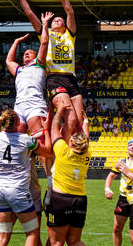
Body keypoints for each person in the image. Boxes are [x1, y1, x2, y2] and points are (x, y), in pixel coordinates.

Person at [10, 0, 83, 138]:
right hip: (54, 79)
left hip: (71, 79)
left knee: (78, 124)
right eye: (54, 20)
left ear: (64, 25)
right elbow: (29, 13)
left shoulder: (70, 35)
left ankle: (69, 152)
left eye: (60, 19)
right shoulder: (46, 33)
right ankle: (59, 149)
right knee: (70, 120)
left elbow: (69, 11)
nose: (57, 20)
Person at [6, 12, 54, 246]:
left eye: (29, 52)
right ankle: (23, 179)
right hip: (19, 108)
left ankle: (52, 180)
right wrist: (16, 43)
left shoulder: (39, 64)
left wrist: (44, 25)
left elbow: (44, 42)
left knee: (41, 143)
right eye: (24, 52)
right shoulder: (19, 70)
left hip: (35, 106)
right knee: (19, 142)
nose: (26, 53)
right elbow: (8, 61)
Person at [0, 109, 53, 246]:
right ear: (18, 122)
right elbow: (48, 153)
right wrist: (46, 130)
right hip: (18, 191)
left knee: (3, 237)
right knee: (32, 233)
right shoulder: (26, 140)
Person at [44, 104, 91, 246]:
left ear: (70, 142)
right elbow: (86, 139)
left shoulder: (63, 151)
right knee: (75, 241)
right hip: (80, 200)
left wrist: (59, 112)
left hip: (60, 199)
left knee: (57, 242)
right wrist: (85, 123)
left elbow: (54, 129)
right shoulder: (87, 155)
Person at [105, 139, 133, 246]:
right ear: (127, 148)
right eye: (130, 145)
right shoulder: (122, 162)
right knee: (116, 228)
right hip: (123, 199)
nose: (132, 147)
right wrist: (107, 188)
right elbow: (111, 176)